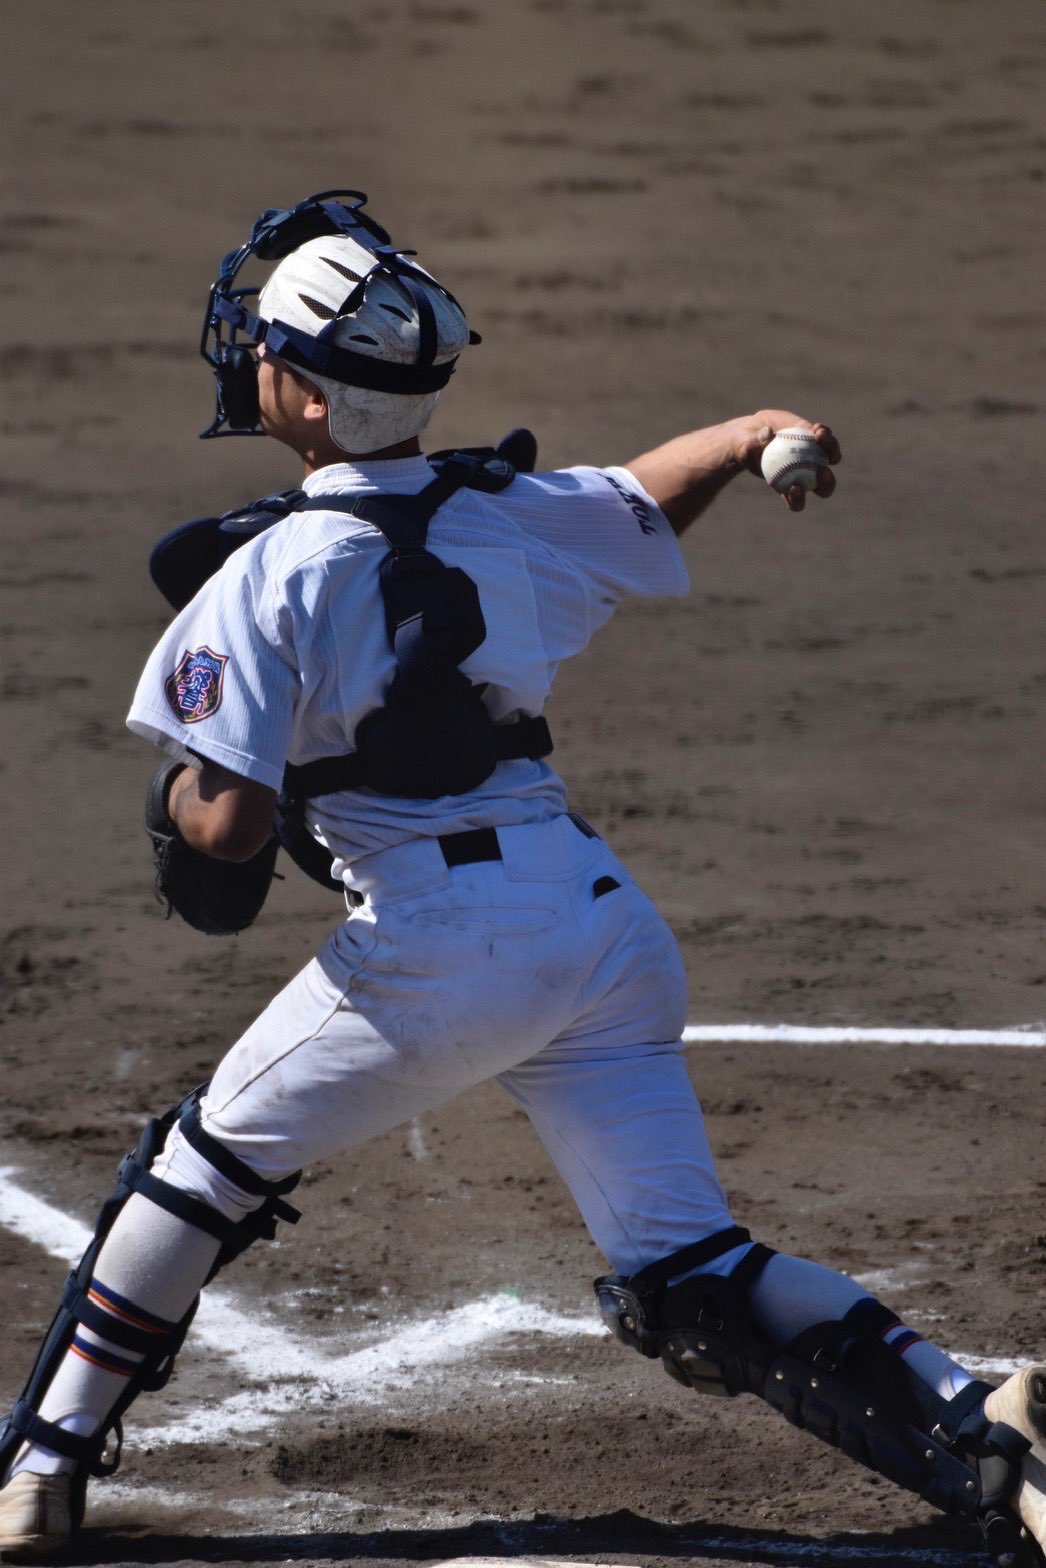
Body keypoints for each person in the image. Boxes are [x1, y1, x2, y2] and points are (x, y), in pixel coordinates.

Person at [0, 191, 1041, 1567]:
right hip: (599, 929)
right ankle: (986, 1422)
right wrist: (744, 436)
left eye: (265, 345)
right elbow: (644, 493)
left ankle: (37, 1472)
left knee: (194, 1177)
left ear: (303, 401)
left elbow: (234, 832)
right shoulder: (513, 513)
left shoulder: (269, 574)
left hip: (443, 951)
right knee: (687, 1271)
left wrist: (183, 803)